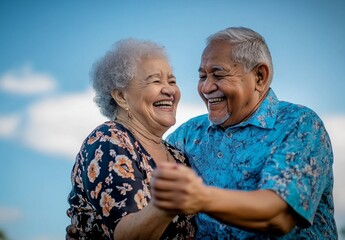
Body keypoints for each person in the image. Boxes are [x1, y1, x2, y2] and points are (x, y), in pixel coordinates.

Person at [151, 27, 337, 239]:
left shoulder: (300, 124)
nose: (206, 87)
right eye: (202, 76)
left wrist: (201, 198)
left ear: (260, 76)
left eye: (218, 74)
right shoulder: (189, 133)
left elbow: (278, 216)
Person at [66, 38, 196, 239]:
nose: (170, 90)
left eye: (172, 81)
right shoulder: (108, 142)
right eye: (155, 80)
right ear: (121, 96)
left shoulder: (177, 155)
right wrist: (170, 202)